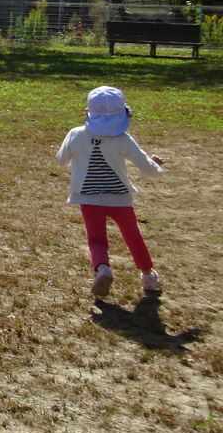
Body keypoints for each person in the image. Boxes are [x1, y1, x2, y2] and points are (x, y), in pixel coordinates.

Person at [57, 85, 166, 300]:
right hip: (120, 198)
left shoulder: (75, 134)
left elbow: (61, 160)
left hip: (89, 197)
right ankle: (148, 277)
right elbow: (145, 166)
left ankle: (102, 268)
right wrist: (158, 168)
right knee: (133, 236)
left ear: (89, 111)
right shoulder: (123, 139)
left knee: (96, 239)